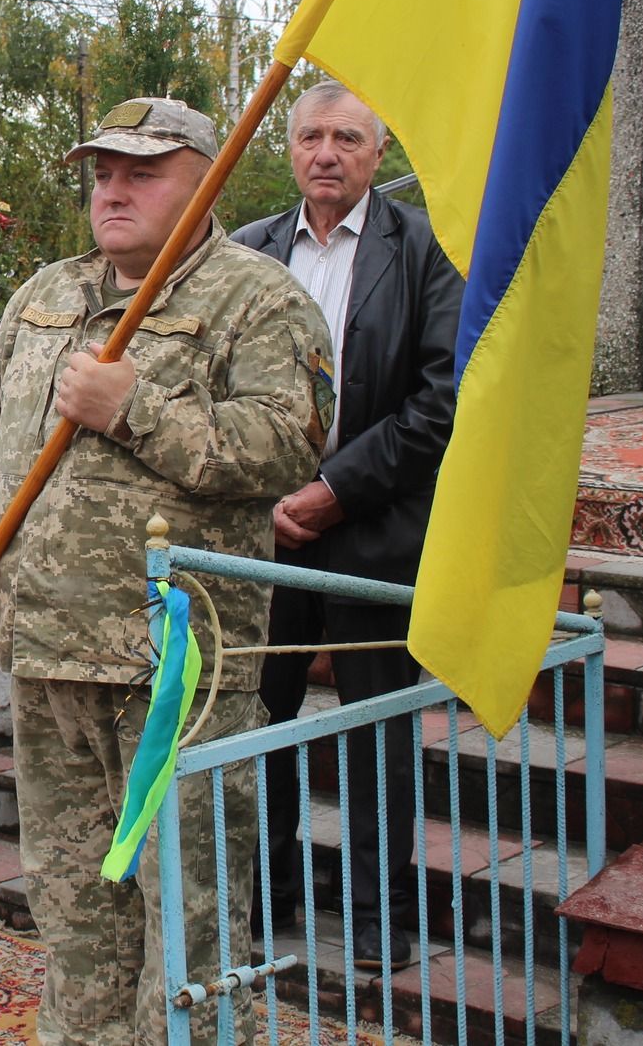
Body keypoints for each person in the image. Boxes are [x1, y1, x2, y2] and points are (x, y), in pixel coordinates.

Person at [0, 97, 331, 1046]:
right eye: (102, 172)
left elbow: (288, 447)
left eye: (141, 172)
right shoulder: (47, 293)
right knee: (73, 908)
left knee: (187, 917)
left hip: (175, 668)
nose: (113, 189)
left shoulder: (258, 297)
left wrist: (137, 406)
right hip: (48, 652)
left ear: (206, 179)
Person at [233, 80, 463, 966]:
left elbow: (440, 400)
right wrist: (265, 501)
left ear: (378, 154)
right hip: (267, 540)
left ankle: (379, 919)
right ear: (289, 150)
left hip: (373, 532)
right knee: (260, 724)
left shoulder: (424, 250)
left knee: (377, 733)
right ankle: (266, 898)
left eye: (347, 138)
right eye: (311, 136)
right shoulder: (249, 251)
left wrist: (334, 488)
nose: (326, 153)